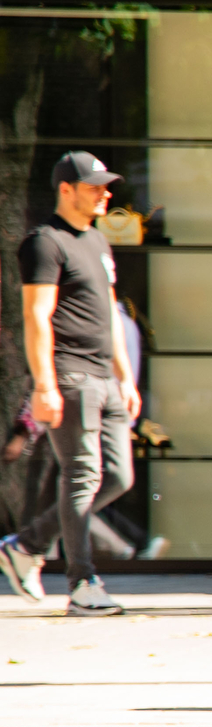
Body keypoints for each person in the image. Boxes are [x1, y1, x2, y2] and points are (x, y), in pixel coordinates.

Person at [0, 152, 139, 615]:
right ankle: (82, 584)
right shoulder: (45, 242)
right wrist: (45, 386)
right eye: (95, 186)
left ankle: (26, 546)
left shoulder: (97, 240)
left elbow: (110, 315)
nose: (105, 194)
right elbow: (36, 316)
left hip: (105, 375)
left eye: (106, 186)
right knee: (82, 475)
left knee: (117, 477)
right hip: (70, 373)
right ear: (66, 189)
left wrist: (126, 377)